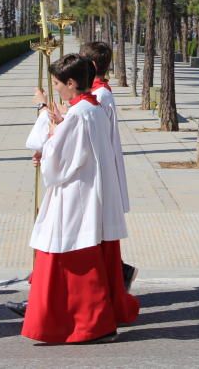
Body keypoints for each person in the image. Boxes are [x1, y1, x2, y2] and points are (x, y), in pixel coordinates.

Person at [20, 54, 138, 344]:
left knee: (73, 261)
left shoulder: (78, 115)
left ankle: (90, 324)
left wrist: (47, 144)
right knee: (83, 258)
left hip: (75, 197)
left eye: (58, 83)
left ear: (72, 83)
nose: (56, 88)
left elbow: (59, 163)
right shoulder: (92, 109)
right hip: (89, 193)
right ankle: (90, 321)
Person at [79, 40, 137, 292]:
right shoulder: (96, 92)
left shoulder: (99, 95)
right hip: (100, 166)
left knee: (99, 231)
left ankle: (117, 274)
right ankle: (117, 272)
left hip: (99, 169)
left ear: (90, 65)